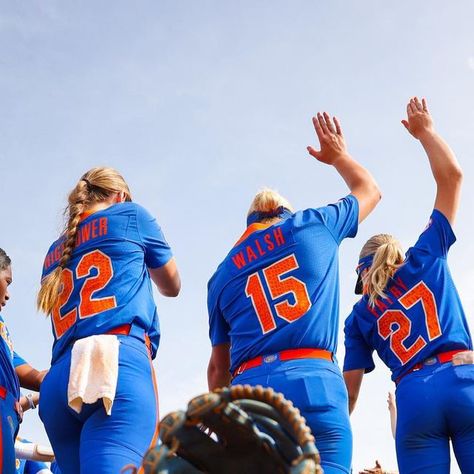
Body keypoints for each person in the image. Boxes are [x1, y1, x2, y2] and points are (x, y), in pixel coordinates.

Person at [207, 112, 381, 473]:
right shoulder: (314, 225)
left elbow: (218, 371)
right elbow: (369, 190)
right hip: (316, 378)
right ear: (286, 212)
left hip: (252, 391)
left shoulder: (222, 275)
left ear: (250, 221)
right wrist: (338, 157)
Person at [343, 98, 473, 473]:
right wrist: (425, 132)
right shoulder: (426, 256)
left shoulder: (359, 316)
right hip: (463, 376)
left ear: (362, 272)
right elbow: (452, 176)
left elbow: (350, 393)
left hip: (415, 397)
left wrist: (329, 432)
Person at [37, 167, 180, 473]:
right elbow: (172, 286)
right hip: (112, 365)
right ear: (121, 196)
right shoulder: (131, 215)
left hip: (59, 378)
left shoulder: (53, 252)